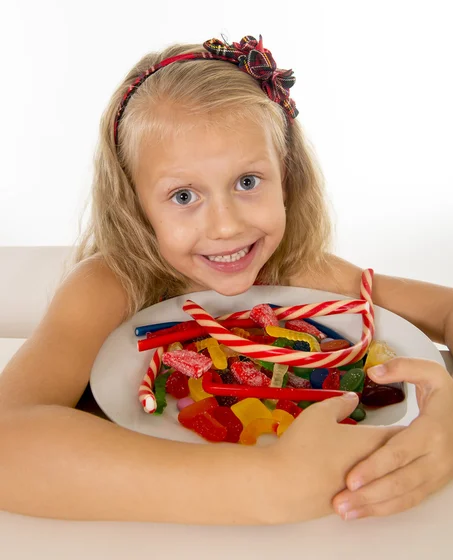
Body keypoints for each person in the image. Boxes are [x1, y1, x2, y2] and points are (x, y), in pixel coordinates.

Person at [0, 34, 452, 526]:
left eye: (247, 182)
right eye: (183, 196)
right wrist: (265, 483)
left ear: (287, 176)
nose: (226, 226)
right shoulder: (108, 287)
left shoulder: (299, 270)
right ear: (134, 204)